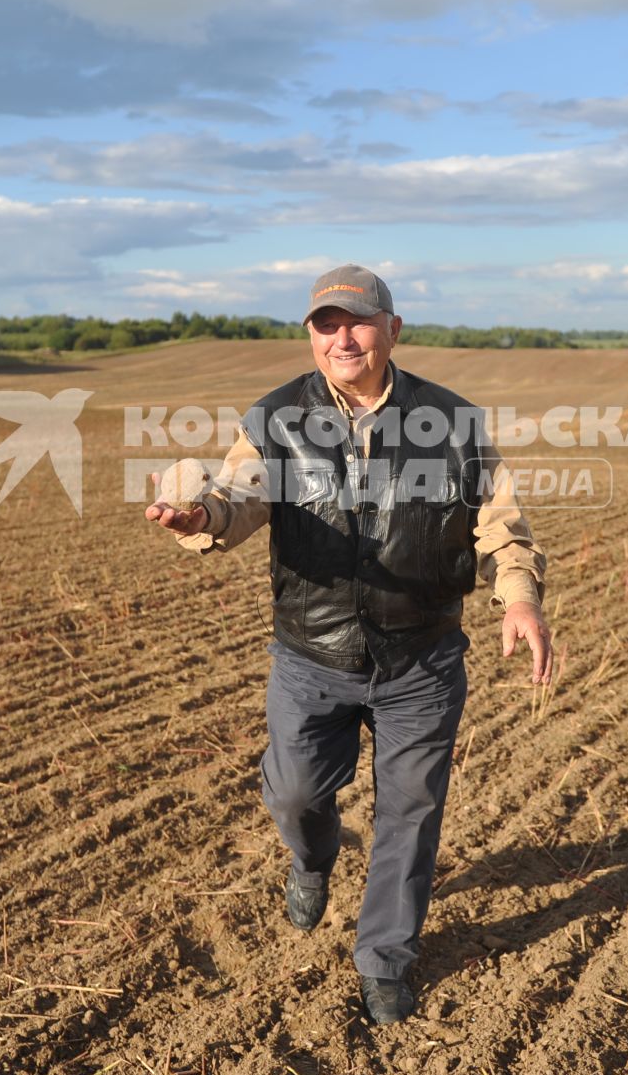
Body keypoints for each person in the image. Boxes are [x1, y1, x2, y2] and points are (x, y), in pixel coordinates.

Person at [144, 263, 551, 1025]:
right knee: (296, 794)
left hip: (422, 658)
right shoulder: (274, 419)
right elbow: (236, 496)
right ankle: (312, 857)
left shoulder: (453, 422)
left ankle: (386, 958)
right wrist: (200, 520)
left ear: (393, 330)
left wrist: (520, 596)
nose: (342, 337)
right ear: (309, 335)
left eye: (358, 321)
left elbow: (501, 523)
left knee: (411, 809)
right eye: (325, 324)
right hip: (312, 657)